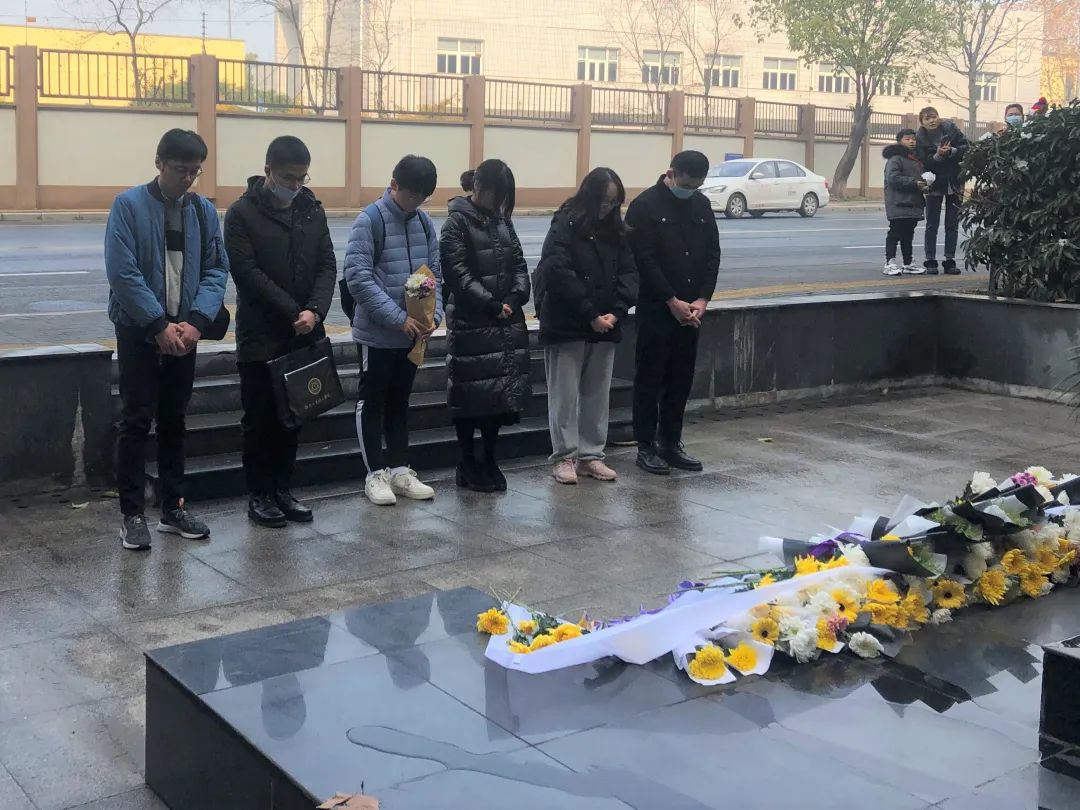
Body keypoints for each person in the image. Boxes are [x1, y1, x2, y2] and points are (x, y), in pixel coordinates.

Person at [105, 128, 228, 551]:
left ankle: (174, 508)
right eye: (180, 170)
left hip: (184, 331)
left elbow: (216, 269)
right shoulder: (128, 206)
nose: (187, 179)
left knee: (175, 419)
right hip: (140, 330)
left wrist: (195, 323)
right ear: (159, 164)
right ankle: (132, 514)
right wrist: (157, 325)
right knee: (137, 419)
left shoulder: (202, 211)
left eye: (195, 171)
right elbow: (122, 272)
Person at [224, 136, 336, 528]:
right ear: (268, 171)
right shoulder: (241, 213)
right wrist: (293, 311)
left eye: (302, 178)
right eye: (289, 178)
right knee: (259, 420)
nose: (295, 186)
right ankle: (259, 495)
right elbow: (246, 273)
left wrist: (315, 310)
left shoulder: (311, 209)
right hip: (260, 335)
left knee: (293, 415)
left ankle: (283, 490)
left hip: (303, 333)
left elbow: (327, 264)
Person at [344, 155, 443, 506]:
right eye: (412, 195)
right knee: (372, 402)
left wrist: (434, 316)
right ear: (395, 185)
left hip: (412, 335)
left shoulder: (424, 223)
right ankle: (375, 473)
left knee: (400, 401)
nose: (416, 202)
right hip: (378, 334)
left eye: (423, 197)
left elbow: (434, 274)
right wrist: (397, 318)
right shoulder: (369, 220)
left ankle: (401, 470)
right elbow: (358, 278)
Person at [534, 168, 638, 484]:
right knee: (564, 395)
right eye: (603, 201)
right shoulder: (565, 222)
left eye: (614, 202)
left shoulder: (618, 231)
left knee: (597, 393)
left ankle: (591, 455)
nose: (607, 208)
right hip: (568, 322)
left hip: (605, 324)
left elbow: (630, 273)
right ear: (589, 196)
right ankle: (564, 457)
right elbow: (557, 269)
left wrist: (617, 312)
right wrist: (590, 313)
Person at [626, 150, 720, 476]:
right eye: (687, 184)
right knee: (649, 379)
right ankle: (645, 445)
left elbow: (712, 254)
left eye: (697, 186)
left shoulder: (701, 205)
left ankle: (670, 442)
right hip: (657, 308)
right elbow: (644, 260)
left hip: (691, 312)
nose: (690, 190)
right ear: (672, 173)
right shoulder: (645, 206)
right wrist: (671, 300)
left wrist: (702, 299)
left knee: (680, 379)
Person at [440, 160, 531, 492]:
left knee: (497, 396)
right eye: (497, 194)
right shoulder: (456, 223)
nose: (500, 202)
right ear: (479, 187)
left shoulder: (503, 221)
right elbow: (457, 273)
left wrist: (516, 297)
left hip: (505, 319)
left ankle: (490, 459)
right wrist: (490, 303)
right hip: (472, 321)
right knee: (470, 396)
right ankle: (466, 463)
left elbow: (519, 264)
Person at [915, 107, 969, 275]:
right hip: (934, 184)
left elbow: (967, 148)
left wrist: (952, 151)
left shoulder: (952, 130)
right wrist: (938, 155)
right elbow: (923, 162)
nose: (932, 120)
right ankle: (930, 260)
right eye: (927, 118)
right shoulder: (920, 138)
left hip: (954, 181)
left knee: (952, 224)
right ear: (922, 122)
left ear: (938, 117)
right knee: (932, 224)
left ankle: (949, 260)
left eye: (934, 117)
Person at [882, 129, 929, 276]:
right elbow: (893, 178)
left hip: (913, 203)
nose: (911, 141)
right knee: (895, 232)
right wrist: (914, 183)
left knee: (908, 234)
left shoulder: (915, 159)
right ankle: (889, 263)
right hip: (898, 202)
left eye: (913, 139)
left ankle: (908, 263)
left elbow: (918, 180)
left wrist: (924, 185)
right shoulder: (895, 158)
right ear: (899, 141)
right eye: (907, 139)